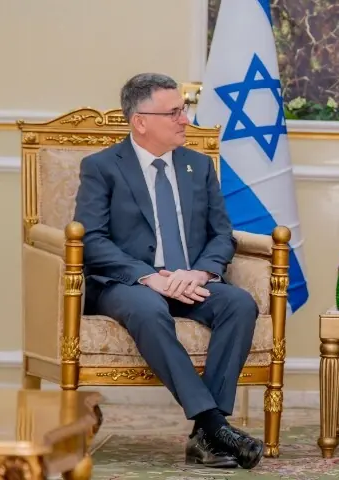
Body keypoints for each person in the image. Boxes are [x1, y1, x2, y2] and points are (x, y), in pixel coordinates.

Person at [74, 73, 263, 469]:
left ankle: (204, 437)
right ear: (140, 120)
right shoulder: (102, 167)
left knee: (240, 304)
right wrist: (150, 276)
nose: (185, 120)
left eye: (184, 109)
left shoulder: (198, 166)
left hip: (189, 280)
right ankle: (213, 423)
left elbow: (222, 234)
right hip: (127, 283)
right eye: (174, 112)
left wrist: (202, 274)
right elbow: (91, 239)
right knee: (147, 308)